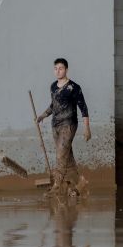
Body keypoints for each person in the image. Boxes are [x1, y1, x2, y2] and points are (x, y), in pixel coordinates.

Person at [36, 58, 91, 198]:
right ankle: (81, 183)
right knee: (68, 158)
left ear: (66, 69)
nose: (58, 71)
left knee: (60, 155)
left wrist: (87, 128)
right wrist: (42, 116)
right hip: (55, 125)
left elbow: (83, 108)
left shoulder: (74, 87)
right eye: (55, 68)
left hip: (69, 125)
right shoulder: (53, 86)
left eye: (60, 68)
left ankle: (56, 186)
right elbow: (53, 105)